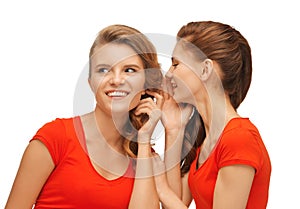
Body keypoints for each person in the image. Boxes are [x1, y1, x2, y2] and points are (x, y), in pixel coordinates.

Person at [5, 24, 163, 209]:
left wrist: (144, 140)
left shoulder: (146, 158)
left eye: (129, 70)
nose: (116, 80)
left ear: (146, 83)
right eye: (103, 70)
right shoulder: (55, 138)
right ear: (90, 82)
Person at [154, 21, 271, 209]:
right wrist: (174, 129)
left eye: (176, 64)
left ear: (205, 69)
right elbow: (175, 203)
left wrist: (161, 188)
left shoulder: (239, 138)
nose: (168, 75)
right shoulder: (206, 139)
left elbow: (169, 197)